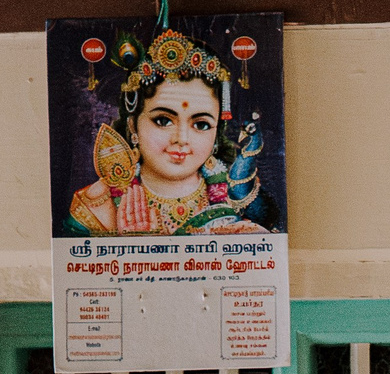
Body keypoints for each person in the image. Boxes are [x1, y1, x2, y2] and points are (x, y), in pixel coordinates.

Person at [66, 28, 266, 236]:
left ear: (216, 132)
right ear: (133, 125)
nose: (181, 139)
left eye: (201, 125)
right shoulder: (98, 205)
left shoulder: (238, 197)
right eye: (163, 121)